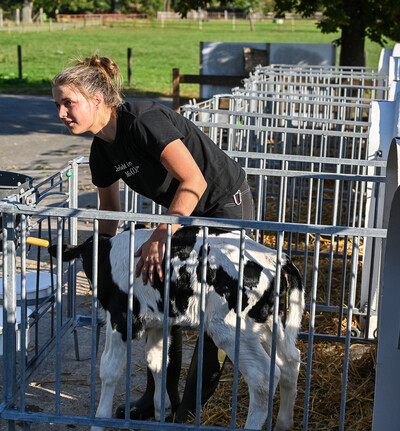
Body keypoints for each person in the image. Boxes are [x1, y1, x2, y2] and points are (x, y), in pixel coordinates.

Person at [52, 54, 255, 422]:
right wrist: (100, 259)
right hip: (181, 213)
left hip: (222, 202)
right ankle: (159, 397)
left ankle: (191, 411)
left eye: (69, 102)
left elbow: (195, 180)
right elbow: (109, 213)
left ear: (97, 99)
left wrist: (162, 233)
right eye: (58, 105)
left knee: (217, 306)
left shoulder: (144, 121)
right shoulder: (101, 150)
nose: (62, 112)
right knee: (157, 288)